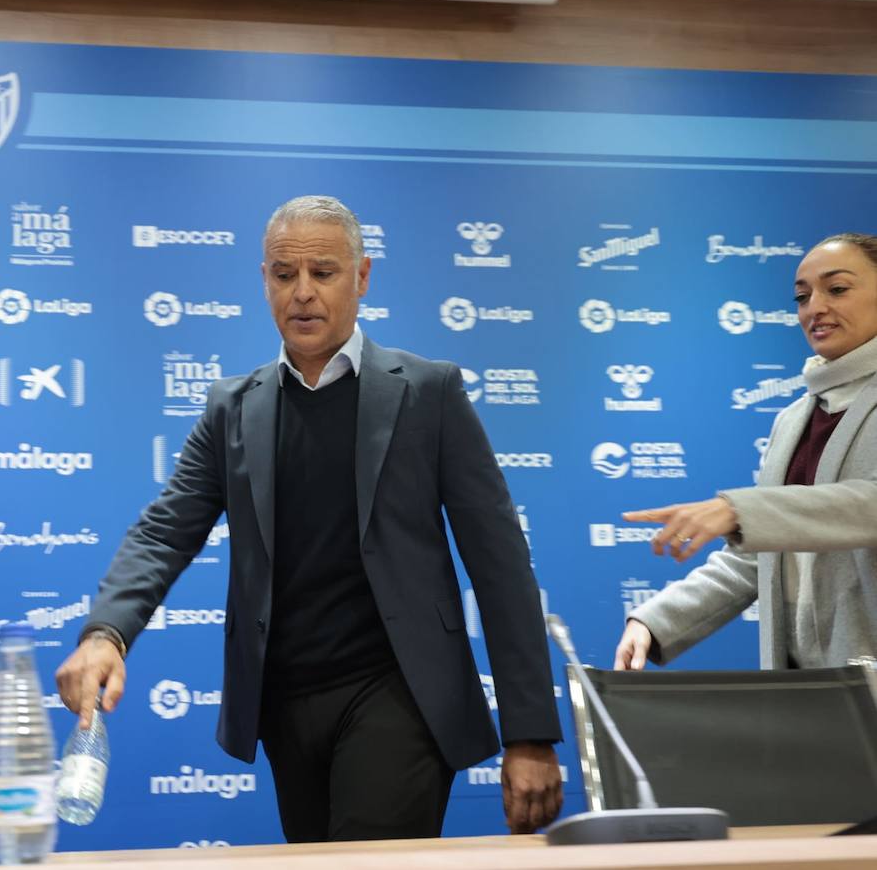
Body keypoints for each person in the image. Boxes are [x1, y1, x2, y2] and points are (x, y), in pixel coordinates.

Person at [56, 195, 563, 841]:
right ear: (263, 278)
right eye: (283, 274)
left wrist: (531, 734)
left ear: (362, 276)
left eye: (322, 273)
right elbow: (165, 529)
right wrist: (106, 632)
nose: (301, 293)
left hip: (401, 692)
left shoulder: (429, 393)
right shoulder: (231, 408)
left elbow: (500, 565)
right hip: (285, 704)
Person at [617, 232, 877, 672]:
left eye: (837, 289)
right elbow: (759, 556)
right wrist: (653, 622)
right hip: (808, 693)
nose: (815, 307)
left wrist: (741, 512)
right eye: (802, 296)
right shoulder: (794, 418)